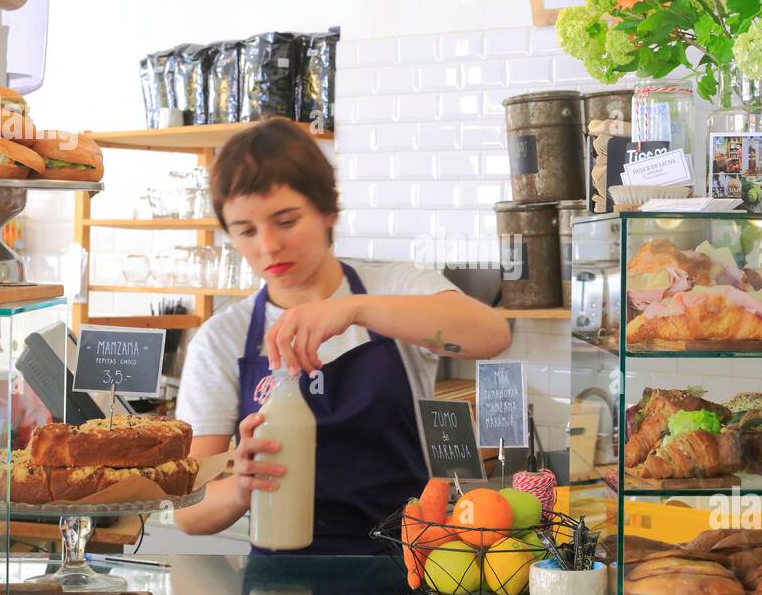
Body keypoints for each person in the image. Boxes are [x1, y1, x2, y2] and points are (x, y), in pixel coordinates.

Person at [174, 117, 511, 552]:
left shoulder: (393, 288)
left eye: (286, 220)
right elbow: (187, 510)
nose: (269, 245)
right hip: (279, 588)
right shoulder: (224, 337)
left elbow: (492, 334)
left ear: (328, 209)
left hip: (404, 567)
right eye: (246, 231)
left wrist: (353, 308)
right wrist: (240, 487)